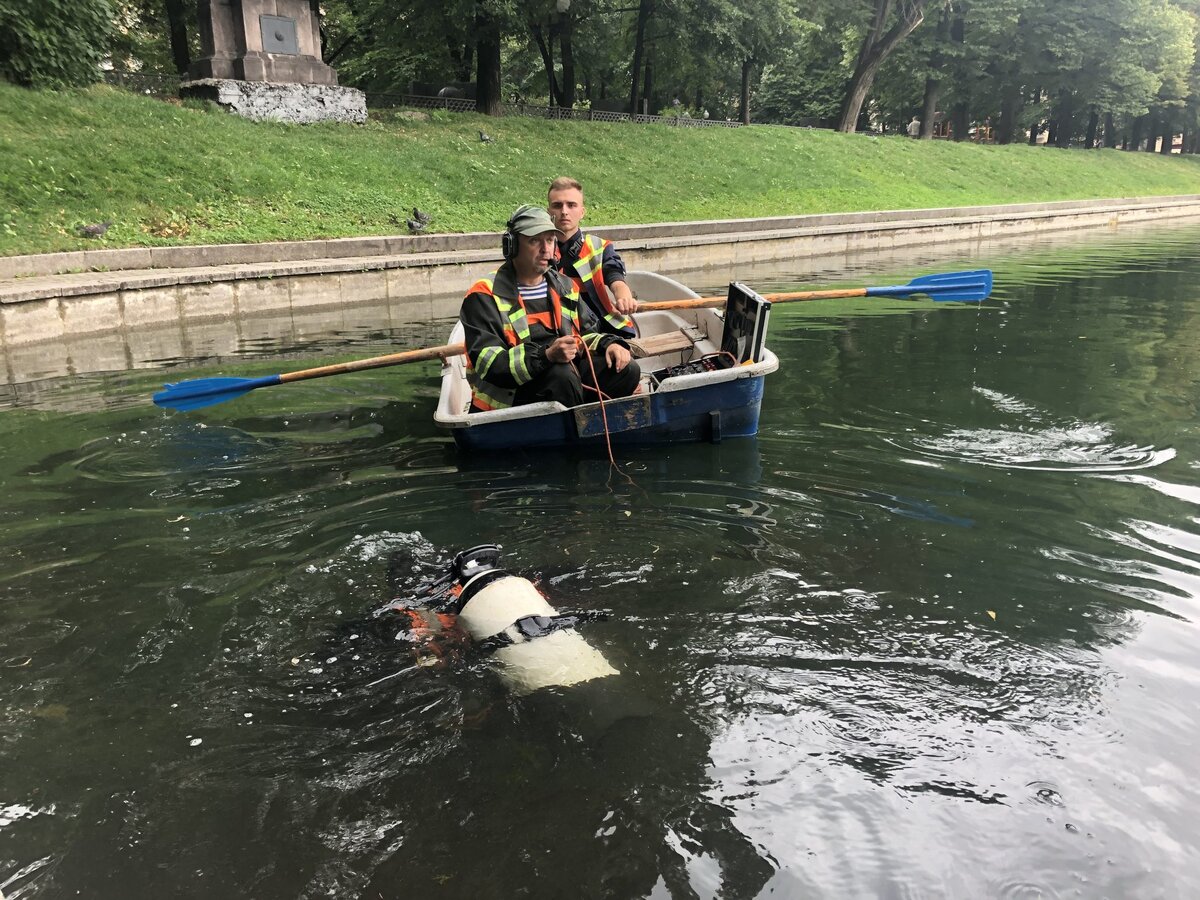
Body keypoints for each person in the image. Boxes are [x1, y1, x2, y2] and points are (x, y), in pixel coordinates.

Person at [460, 204, 640, 412]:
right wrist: (546, 356)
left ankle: (586, 424)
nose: (546, 249)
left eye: (550, 240)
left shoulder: (565, 286)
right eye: (535, 241)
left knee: (626, 370)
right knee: (561, 377)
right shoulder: (483, 295)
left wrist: (609, 344)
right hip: (509, 397)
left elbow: (585, 335)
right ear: (512, 246)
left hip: (564, 378)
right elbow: (490, 365)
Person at [547, 176, 638, 338]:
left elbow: (615, 277)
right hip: (559, 333)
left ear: (582, 212)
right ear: (549, 212)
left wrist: (624, 296)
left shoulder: (600, 247)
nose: (564, 211)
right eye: (557, 205)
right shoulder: (540, 251)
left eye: (571, 205)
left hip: (602, 329)